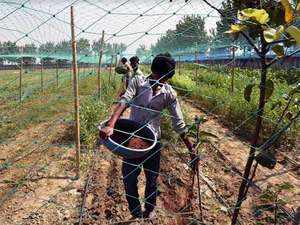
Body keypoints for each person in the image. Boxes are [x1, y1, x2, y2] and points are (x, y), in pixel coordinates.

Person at [100, 53, 196, 219]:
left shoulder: (169, 94)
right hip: (133, 140)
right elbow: (124, 101)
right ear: (154, 71)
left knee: (152, 178)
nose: (162, 81)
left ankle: (150, 208)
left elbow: (178, 123)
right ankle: (135, 210)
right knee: (129, 177)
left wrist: (191, 148)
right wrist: (111, 125)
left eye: (165, 79)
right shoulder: (138, 82)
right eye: (161, 77)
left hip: (153, 142)